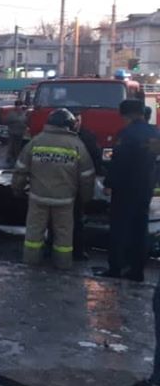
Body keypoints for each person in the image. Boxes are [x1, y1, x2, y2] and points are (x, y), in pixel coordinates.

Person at [12, 108, 95, 270]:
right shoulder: (77, 145)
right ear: (69, 125)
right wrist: (86, 197)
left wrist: (17, 189)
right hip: (64, 200)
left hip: (38, 198)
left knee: (34, 233)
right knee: (64, 236)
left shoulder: (36, 142)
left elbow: (20, 169)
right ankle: (62, 265)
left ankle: (30, 262)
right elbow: (87, 176)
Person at [95, 99, 160, 282]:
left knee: (119, 228)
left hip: (125, 188)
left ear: (126, 115)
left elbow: (119, 162)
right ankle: (136, 271)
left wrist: (109, 183)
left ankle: (115, 267)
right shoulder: (155, 132)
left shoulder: (127, 133)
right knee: (140, 228)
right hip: (145, 187)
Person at [71, 114, 101, 260]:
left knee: (77, 219)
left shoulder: (87, 136)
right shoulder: (69, 138)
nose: (75, 123)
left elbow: (95, 157)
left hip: (77, 185)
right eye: (74, 120)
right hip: (67, 185)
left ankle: (77, 250)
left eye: (78, 120)